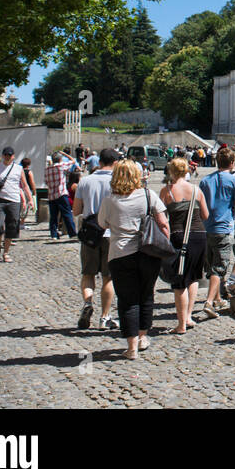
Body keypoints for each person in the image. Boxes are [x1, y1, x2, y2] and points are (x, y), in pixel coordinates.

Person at [98, 160, 170, 359]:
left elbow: (102, 223)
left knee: (127, 300)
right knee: (146, 294)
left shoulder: (109, 201)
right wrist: (166, 246)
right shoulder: (149, 195)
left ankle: (131, 347)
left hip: (120, 253)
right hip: (148, 252)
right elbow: (163, 223)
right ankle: (142, 336)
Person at [74, 147, 120, 330]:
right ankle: (104, 317)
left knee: (88, 274)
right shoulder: (118, 182)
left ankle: (87, 303)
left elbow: (76, 211)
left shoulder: (85, 181)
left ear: (99, 161)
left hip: (90, 233)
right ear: (115, 163)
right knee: (108, 277)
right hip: (111, 233)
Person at [161, 157, 208, 333]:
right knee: (194, 276)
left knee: (179, 279)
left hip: (178, 236)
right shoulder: (196, 190)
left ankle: (181, 325)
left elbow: (162, 218)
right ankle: (188, 316)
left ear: (171, 171)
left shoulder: (167, 191)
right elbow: (205, 215)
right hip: (199, 235)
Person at [199, 146, 235, 318]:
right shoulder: (233, 180)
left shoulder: (205, 181)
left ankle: (218, 299)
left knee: (211, 265)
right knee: (219, 268)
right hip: (224, 227)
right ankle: (209, 302)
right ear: (233, 163)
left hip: (207, 228)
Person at [0, 147, 33, 262]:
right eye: (5, 154)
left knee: (12, 227)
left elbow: (25, 185)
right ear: (2, 156)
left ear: (13, 156)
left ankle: (6, 252)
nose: (7, 157)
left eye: (10, 155)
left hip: (14, 200)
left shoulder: (19, 169)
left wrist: (30, 199)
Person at [45, 152, 77, 241]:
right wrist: (64, 154)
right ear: (60, 159)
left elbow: (46, 182)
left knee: (53, 216)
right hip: (61, 193)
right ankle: (72, 233)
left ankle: (54, 234)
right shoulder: (60, 166)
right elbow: (73, 161)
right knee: (67, 214)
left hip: (51, 194)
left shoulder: (47, 169)